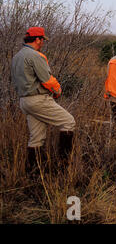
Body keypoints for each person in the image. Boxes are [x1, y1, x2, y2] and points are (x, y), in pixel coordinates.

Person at [11, 27, 76, 172]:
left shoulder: (17, 56)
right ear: (37, 39)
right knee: (68, 122)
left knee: (36, 137)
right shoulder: (35, 56)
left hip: (24, 101)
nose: (42, 43)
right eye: (42, 40)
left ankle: (33, 173)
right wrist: (58, 90)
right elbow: (47, 80)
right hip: (38, 100)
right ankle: (64, 167)